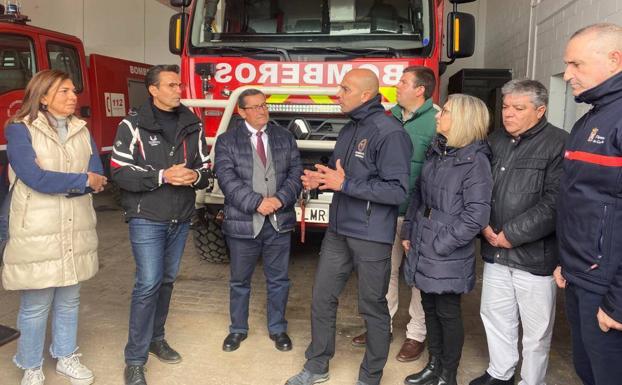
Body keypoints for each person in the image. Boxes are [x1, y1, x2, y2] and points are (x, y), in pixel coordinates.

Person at [285, 68, 413, 385]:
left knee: (372, 307)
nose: (337, 93)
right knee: (321, 297)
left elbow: (397, 191)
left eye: (344, 88)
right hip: (339, 230)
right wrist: (322, 180)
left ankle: (370, 376)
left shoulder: (390, 133)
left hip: (371, 235)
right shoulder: (350, 128)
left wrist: (345, 184)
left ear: (366, 95)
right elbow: (341, 176)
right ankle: (317, 366)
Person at [2, 69, 107, 385]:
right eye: (63, 91)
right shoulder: (20, 130)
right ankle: (30, 365)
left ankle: (65, 356)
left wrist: (78, 181)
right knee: (36, 303)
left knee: (69, 299)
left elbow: (98, 176)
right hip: (38, 226)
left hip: (77, 225)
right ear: (43, 96)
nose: (73, 96)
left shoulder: (81, 129)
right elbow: (35, 178)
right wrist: (79, 180)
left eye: (73, 91)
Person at [111, 64, 212, 385]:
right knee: (148, 283)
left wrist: (195, 176)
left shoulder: (192, 124)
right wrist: (162, 176)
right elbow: (119, 172)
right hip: (146, 217)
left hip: (180, 217)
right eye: (171, 85)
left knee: (166, 281)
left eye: (179, 84)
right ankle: (135, 359)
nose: (178, 90)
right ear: (153, 90)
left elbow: (208, 168)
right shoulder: (132, 125)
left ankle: (157, 338)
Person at [469, 80, 568, 385]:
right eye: (506, 107)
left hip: (534, 255)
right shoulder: (494, 141)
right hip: (495, 249)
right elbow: (478, 186)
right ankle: (501, 371)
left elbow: (555, 202)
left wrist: (510, 233)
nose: (508, 114)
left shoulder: (559, 143)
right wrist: (483, 224)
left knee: (536, 331)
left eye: (518, 108)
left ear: (540, 110)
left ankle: (530, 380)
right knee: (495, 316)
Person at [402, 94, 492, 385]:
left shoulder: (475, 161)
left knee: (447, 313)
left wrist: (442, 243)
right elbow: (418, 196)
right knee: (429, 308)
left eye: (446, 112)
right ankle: (433, 366)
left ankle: (447, 376)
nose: (439, 116)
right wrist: (409, 232)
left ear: (463, 119)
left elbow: (476, 215)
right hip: (424, 240)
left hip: (445, 248)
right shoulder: (438, 150)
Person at [352, 66, 435, 363]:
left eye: (402, 82)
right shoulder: (388, 117)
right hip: (385, 212)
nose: (396, 86)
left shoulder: (437, 121)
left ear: (420, 89)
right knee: (383, 273)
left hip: (420, 218)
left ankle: (416, 334)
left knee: (417, 278)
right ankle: (380, 328)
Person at [555, 23, 622, 385]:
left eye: (576, 64)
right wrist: (566, 262)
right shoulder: (591, 118)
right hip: (581, 277)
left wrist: (620, 301)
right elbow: (579, 202)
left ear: (615, 59)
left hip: (609, 287)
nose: (567, 75)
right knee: (587, 372)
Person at [214, 89, 302, 353]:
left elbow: (296, 173)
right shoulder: (227, 141)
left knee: (279, 280)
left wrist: (279, 199)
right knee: (240, 281)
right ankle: (238, 329)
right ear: (241, 112)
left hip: (278, 221)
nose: (262, 111)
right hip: (243, 223)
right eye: (254, 107)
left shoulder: (285, 137)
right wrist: (256, 203)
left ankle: (278, 328)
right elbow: (227, 179)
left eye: (264, 105)